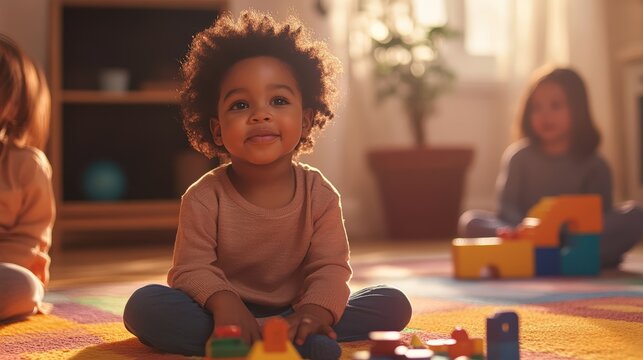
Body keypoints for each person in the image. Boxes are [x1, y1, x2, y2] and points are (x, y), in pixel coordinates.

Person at [123, 10, 412, 359]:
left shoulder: (319, 195)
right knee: (144, 306)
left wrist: (314, 312)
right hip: (220, 315)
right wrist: (225, 304)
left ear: (305, 119)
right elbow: (191, 269)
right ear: (217, 130)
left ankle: (275, 339)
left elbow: (330, 268)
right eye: (241, 104)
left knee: (392, 303)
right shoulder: (202, 198)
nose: (260, 115)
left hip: (296, 312)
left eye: (278, 101)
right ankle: (287, 344)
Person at [459, 67, 643, 268]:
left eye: (556, 105)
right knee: (471, 221)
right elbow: (507, 207)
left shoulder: (596, 165)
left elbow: (599, 218)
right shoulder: (518, 157)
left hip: (575, 241)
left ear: (578, 109)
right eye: (536, 107)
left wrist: (565, 233)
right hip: (525, 237)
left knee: (635, 216)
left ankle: (553, 256)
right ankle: (547, 255)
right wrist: (521, 229)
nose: (545, 115)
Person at [0, 34, 55, 323]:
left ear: (12, 107)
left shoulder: (27, 166)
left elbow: (30, 243)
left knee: (20, 286)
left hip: (7, 270)